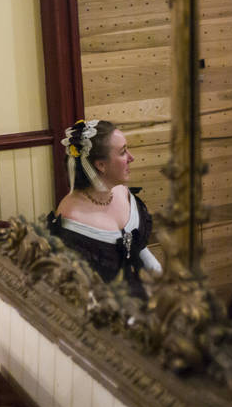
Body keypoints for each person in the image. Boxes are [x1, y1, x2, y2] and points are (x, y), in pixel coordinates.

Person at [47, 120, 162, 297]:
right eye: (123, 152)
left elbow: (138, 248)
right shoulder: (72, 219)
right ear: (101, 165)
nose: (131, 158)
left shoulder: (122, 192)